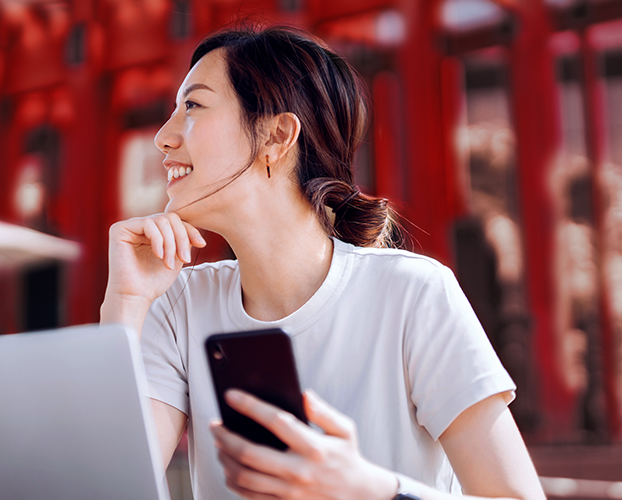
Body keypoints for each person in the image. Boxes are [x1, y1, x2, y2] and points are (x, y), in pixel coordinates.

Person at [100, 25, 546, 500]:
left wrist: (368, 491)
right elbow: (108, 488)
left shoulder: (413, 293)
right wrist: (125, 306)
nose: (163, 138)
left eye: (192, 106)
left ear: (276, 136)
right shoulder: (178, 304)